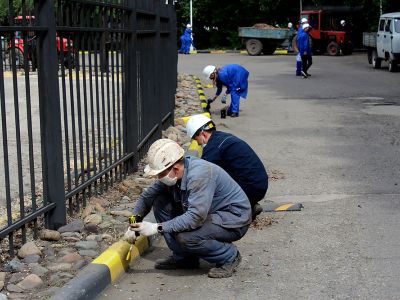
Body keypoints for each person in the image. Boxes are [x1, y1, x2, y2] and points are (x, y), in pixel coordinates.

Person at [125, 138, 251, 278]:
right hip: (209, 214)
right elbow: (146, 197)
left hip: (233, 219)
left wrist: (157, 227)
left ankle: (229, 256)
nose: (158, 178)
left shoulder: (199, 176)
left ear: (176, 169)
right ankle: (185, 258)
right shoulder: (174, 172)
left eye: (160, 174)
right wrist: (133, 223)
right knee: (160, 202)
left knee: (187, 237)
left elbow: (195, 218)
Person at [186, 114, 268, 220]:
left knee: (209, 186)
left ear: (203, 134)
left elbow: (202, 175)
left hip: (251, 189)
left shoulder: (213, 148)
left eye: (195, 138)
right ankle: (249, 204)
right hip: (259, 184)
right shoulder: (222, 138)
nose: (196, 142)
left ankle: (240, 211)